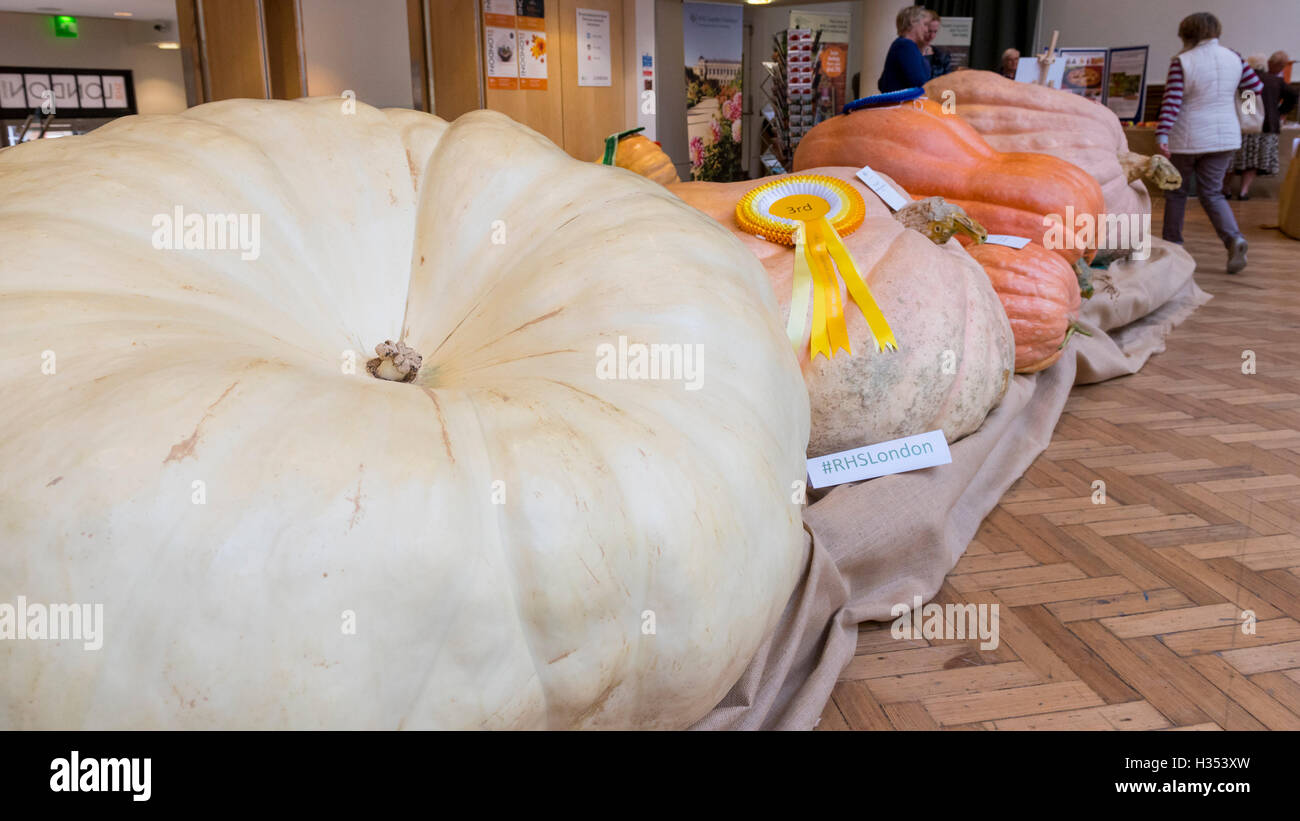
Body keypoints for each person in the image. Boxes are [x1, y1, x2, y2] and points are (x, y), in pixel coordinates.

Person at [1155, 12, 1263, 274]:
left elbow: (1173, 102)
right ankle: (1233, 239)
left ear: (1186, 34)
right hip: (1226, 136)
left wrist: (1162, 134)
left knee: (1177, 192)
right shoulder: (1235, 57)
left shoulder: (1182, 61)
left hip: (1188, 137)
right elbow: (1254, 87)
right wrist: (1247, 113)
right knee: (1212, 193)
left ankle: (1173, 247)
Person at [1224, 51, 1298, 199]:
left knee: (1236, 161)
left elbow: (1248, 109)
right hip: (1268, 127)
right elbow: (1294, 95)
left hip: (1247, 127)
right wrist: (1280, 113)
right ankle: (1244, 191)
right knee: (1253, 162)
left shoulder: (1247, 82)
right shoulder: (1275, 81)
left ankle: (1226, 189)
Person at [878, 6, 931, 93]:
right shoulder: (906, 45)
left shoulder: (899, 44)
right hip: (903, 104)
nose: (926, 30)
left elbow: (881, 83)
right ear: (913, 22)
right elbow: (920, 83)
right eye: (925, 24)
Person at [921, 11, 953, 79]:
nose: (932, 36)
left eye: (935, 31)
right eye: (929, 31)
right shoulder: (910, 53)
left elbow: (948, 82)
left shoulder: (943, 56)